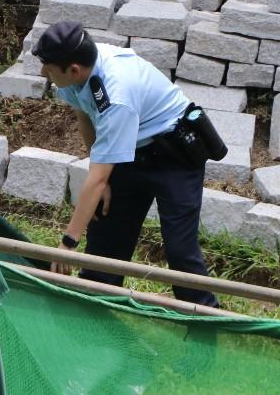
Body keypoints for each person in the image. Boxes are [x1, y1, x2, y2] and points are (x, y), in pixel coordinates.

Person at [33, 21, 220, 308]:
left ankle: (205, 321)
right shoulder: (79, 71)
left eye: (48, 67)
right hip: (132, 151)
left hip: (175, 156)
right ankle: (98, 308)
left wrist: (67, 245)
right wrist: (106, 180)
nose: (43, 73)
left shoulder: (116, 94)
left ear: (72, 69)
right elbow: (85, 114)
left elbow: (94, 179)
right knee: (105, 232)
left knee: (180, 250)